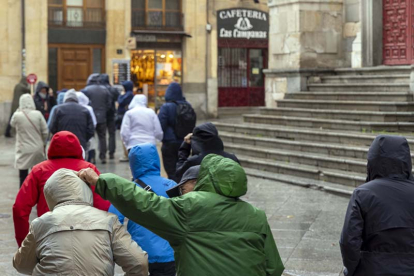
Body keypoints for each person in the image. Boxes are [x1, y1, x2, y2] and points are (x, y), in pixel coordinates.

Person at [78, 154, 285, 276]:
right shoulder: (256, 215)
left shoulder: (190, 208)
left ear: (206, 179)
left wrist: (101, 181)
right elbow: (274, 267)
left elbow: (144, 203)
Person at [13, 169, 148, 276]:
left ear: (50, 195)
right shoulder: (108, 220)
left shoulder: (40, 224)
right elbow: (138, 263)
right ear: (84, 190)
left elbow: (21, 265)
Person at [13, 131, 110, 247]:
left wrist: (24, 244)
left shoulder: (39, 170)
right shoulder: (88, 169)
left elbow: (19, 208)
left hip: (48, 238)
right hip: (85, 238)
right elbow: (103, 206)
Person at [340, 135, 414, 276]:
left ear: (372, 161)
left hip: (372, 269)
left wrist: (352, 269)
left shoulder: (362, 194)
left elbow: (348, 241)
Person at [109, 143, 176, 276]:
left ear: (133, 164)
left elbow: (113, 220)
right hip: (170, 254)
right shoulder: (171, 185)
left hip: (140, 253)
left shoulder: (128, 189)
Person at [158, 83, 196, 182]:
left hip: (169, 143)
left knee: (171, 170)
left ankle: (174, 190)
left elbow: (161, 125)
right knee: (182, 168)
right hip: (184, 143)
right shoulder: (187, 105)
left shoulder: (166, 107)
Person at [10, 94, 48, 187]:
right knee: (37, 176)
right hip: (37, 149)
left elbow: (12, 124)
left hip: (23, 149)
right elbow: (45, 132)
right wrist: (43, 143)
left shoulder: (17, 115)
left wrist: (19, 109)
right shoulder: (38, 114)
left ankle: (23, 197)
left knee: (23, 177)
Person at [83, 73, 112, 164]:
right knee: (102, 137)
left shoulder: (86, 90)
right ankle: (103, 156)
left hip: (91, 117)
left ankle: (92, 157)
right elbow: (109, 104)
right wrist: (103, 112)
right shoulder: (105, 90)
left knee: (91, 137)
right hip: (102, 117)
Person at [99, 74, 120, 159]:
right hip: (111, 114)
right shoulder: (113, 89)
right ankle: (111, 152)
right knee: (112, 134)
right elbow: (118, 98)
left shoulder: (100, 89)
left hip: (102, 114)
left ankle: (102, 153)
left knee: (102, 135)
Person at [77, 91, 97, 163]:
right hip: (87, 132)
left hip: (78, 132)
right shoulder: (88, 108)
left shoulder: (75, 108)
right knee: (90, 147)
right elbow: (94, 122)